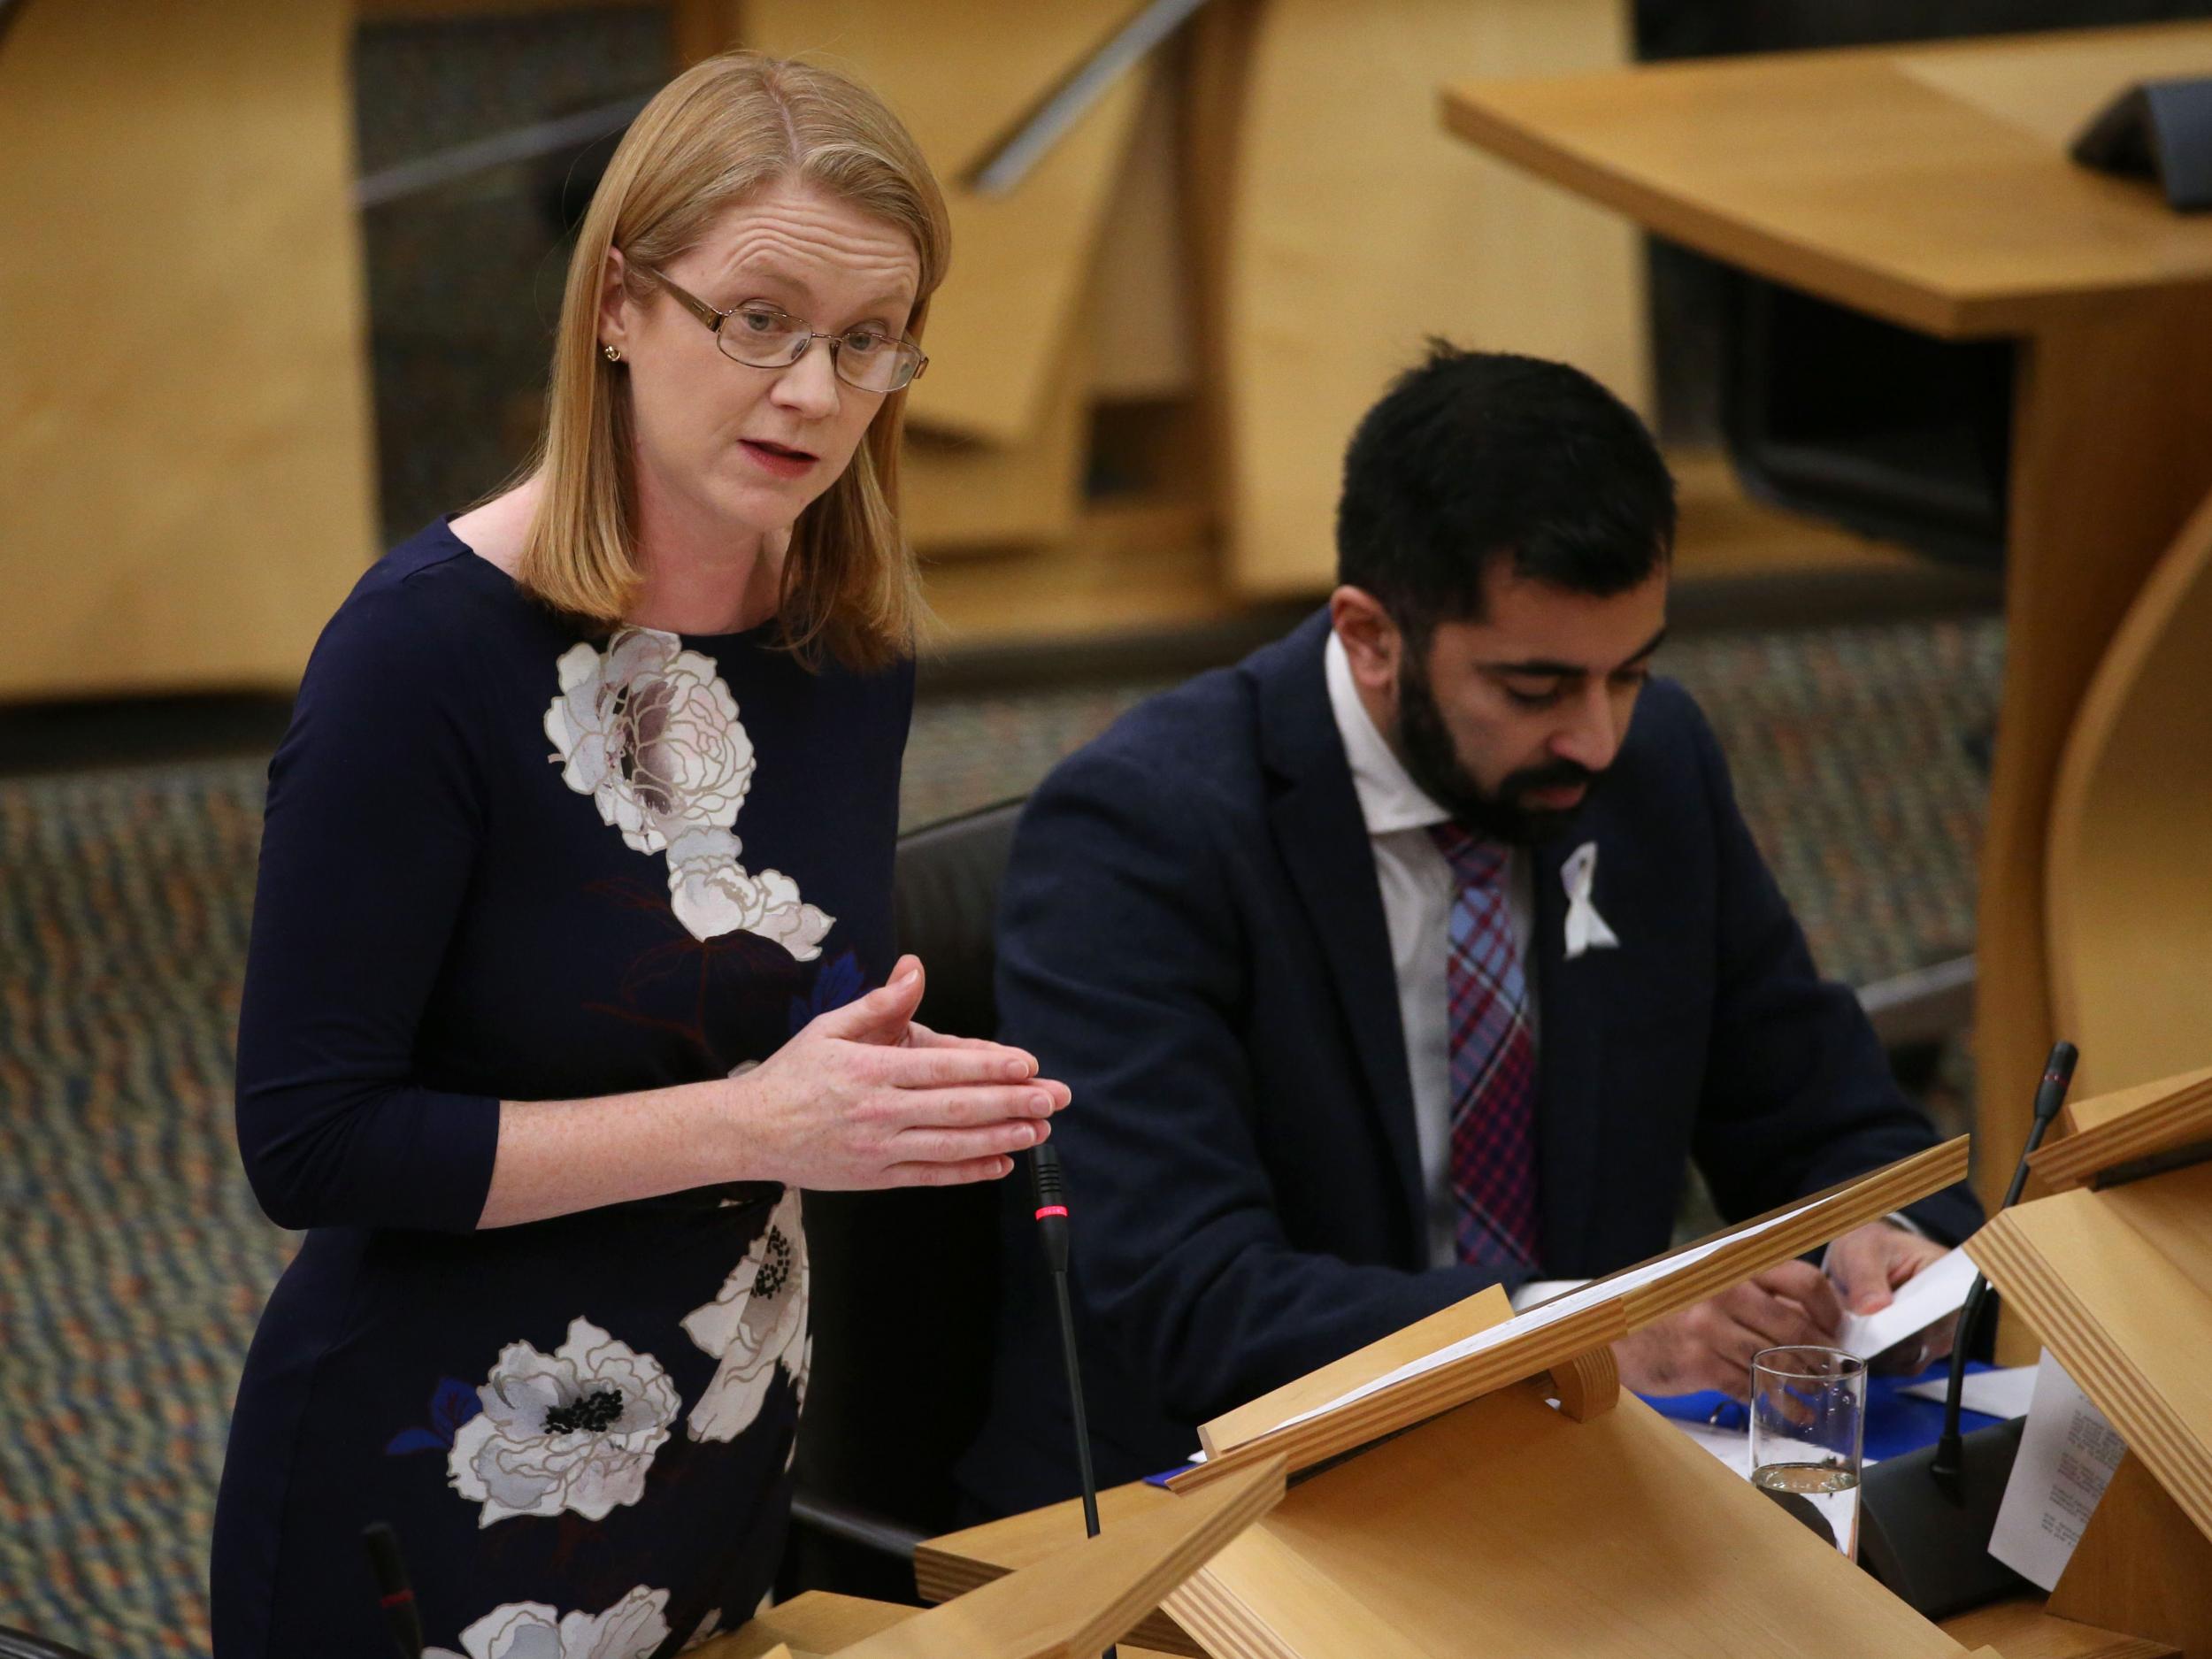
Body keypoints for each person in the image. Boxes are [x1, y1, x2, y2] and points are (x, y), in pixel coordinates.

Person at [211, 54, 1069, 1659]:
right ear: (618, 304)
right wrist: (757, 1118)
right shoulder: (420, 656)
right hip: (443, 1469)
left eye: (868, 340)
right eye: (758, 320)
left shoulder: (844, 642)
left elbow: (716, 999)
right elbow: (310, 1144)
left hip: (723, 1442)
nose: (814, 393)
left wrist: (879, 1092)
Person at [958, 345, 1980, 1517]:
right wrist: (1593, 1337)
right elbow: (1194, 1304)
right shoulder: (1140, 832)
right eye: (1535, 690)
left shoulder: (1652, 764)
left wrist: (1886, 1240)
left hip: (1570, 1481)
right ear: (1370, 636)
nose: (1595, 738)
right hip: (1220, 1511)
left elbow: (1821, 1114)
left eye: (1631, 673)